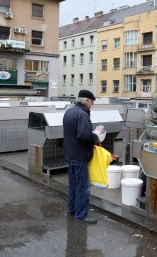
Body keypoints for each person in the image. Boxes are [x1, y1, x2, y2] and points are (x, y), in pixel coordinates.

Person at [63, 89, 106, 224]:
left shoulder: (69, 111)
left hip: (70, 154)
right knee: (83, 186)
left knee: (73, 185)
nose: (91, 105)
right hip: (80, 156)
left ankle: (71, 210)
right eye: (91, 102)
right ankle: (81, 214)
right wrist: (96, 136)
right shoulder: (82, 114)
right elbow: (83, 136)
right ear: (87, 101)